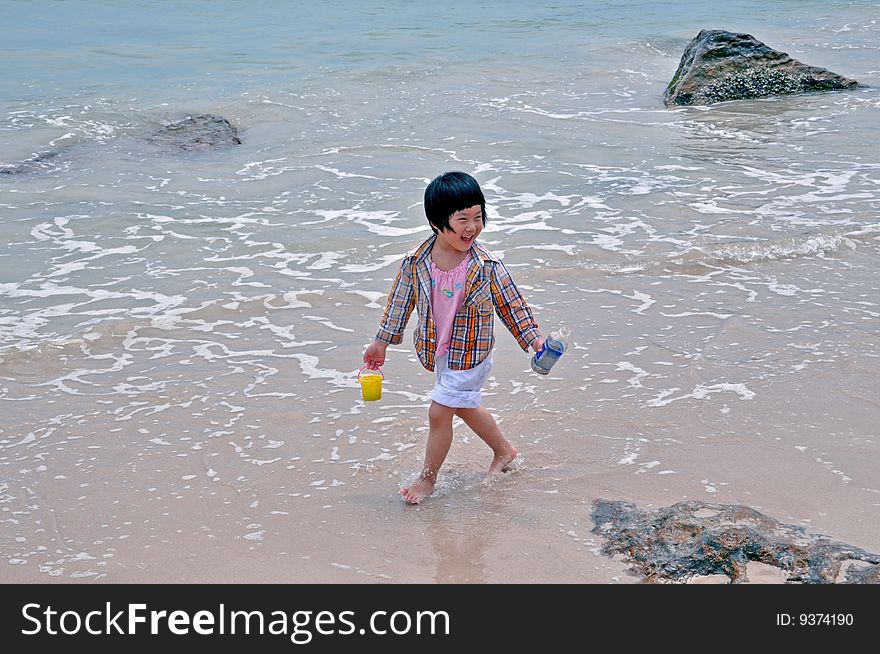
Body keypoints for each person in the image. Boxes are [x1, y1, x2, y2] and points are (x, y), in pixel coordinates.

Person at [363, 171, 545, 504]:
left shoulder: (487, 266)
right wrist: (381, 341)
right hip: (438, 350)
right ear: (436, 222)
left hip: (471, 351)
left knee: (439, 412)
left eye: (478, 217)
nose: (472, 227)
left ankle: (427, 480)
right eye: (462, 219)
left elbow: (512, 305)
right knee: (463, 407)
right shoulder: (416, 262)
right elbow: (400, 303)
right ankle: (504, 451)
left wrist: (535, 342)